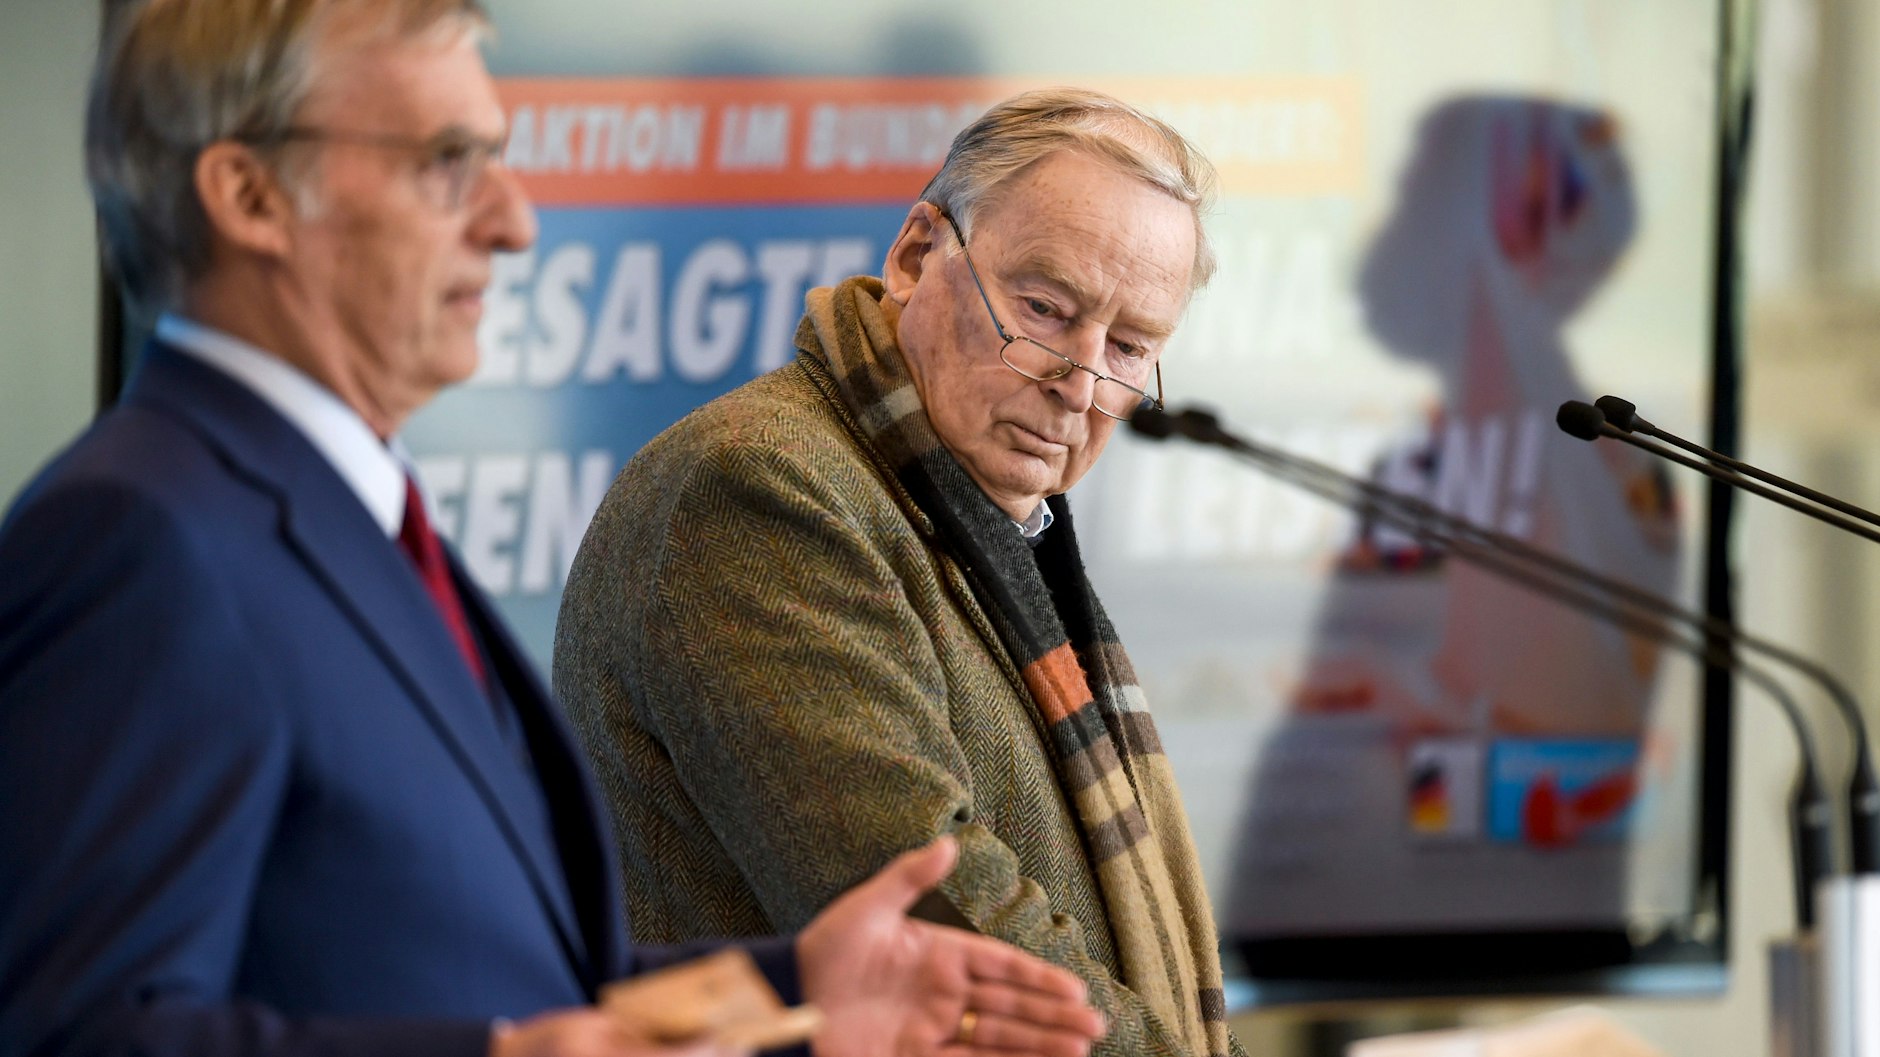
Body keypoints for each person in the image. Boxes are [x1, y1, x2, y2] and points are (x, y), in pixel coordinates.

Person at [0, 5, 1107, 1057]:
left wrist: (798, 994)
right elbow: (75, 1034)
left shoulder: (353, 520)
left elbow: (510, 979)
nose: (511, 220)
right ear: (248, 194)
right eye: (445, 162)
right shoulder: (140, 538)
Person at [555, 89, 1240, 1057]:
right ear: (918, 254)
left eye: (1128, 347)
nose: (1080, 386)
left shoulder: (981, 519)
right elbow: (948, 919)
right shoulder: (761, 487)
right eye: (1044, 309)